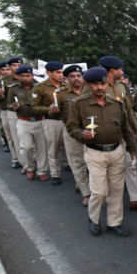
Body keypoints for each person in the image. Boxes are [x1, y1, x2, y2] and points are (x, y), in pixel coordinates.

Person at [67, 66, 137, 236]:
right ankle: (94, 219)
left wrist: (132, 148)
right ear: (88, 85)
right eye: (95, 84)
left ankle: (115, 222)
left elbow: (126, 128)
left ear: (107, 84)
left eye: (102, 84)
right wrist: (81, 134)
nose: (99, 88)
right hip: (94, 152)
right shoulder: (78, 104)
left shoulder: (116, 104)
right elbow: (72, 127)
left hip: (116, 151)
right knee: (99, 191)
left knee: (117, 189)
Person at [99, 55, 137, 212]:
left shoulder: (121, 87)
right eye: (120, 69)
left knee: (131, 165)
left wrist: (136, 130)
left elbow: (128, 111)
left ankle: (135, 199)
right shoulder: (98, 87)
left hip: (125, 132)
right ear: (111, 70)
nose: (122, 72)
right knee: (110, 171)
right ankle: (110, 205)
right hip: (107, 135)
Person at [58, 65, 91, 206]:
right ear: (66, 79)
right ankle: (86, 193)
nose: (76, 79)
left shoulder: (89, 91)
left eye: (78, 75)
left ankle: (89, 185)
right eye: (72, 76)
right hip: (72, 131)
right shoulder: (61, 94)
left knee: (92, 162)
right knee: (77, 162)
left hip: (90, 130)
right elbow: (54, 112)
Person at [32, 61, 66, 185]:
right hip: (51, 121)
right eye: (57, 72)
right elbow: (34, 107)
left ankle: (70, 167)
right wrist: (48, 109)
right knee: (53, 148)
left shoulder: (66, 85)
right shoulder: (40, 87)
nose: (60, 75)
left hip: (67, 120)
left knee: (69, 148)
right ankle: (55, 174)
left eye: (61, 72)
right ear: (48, 73)